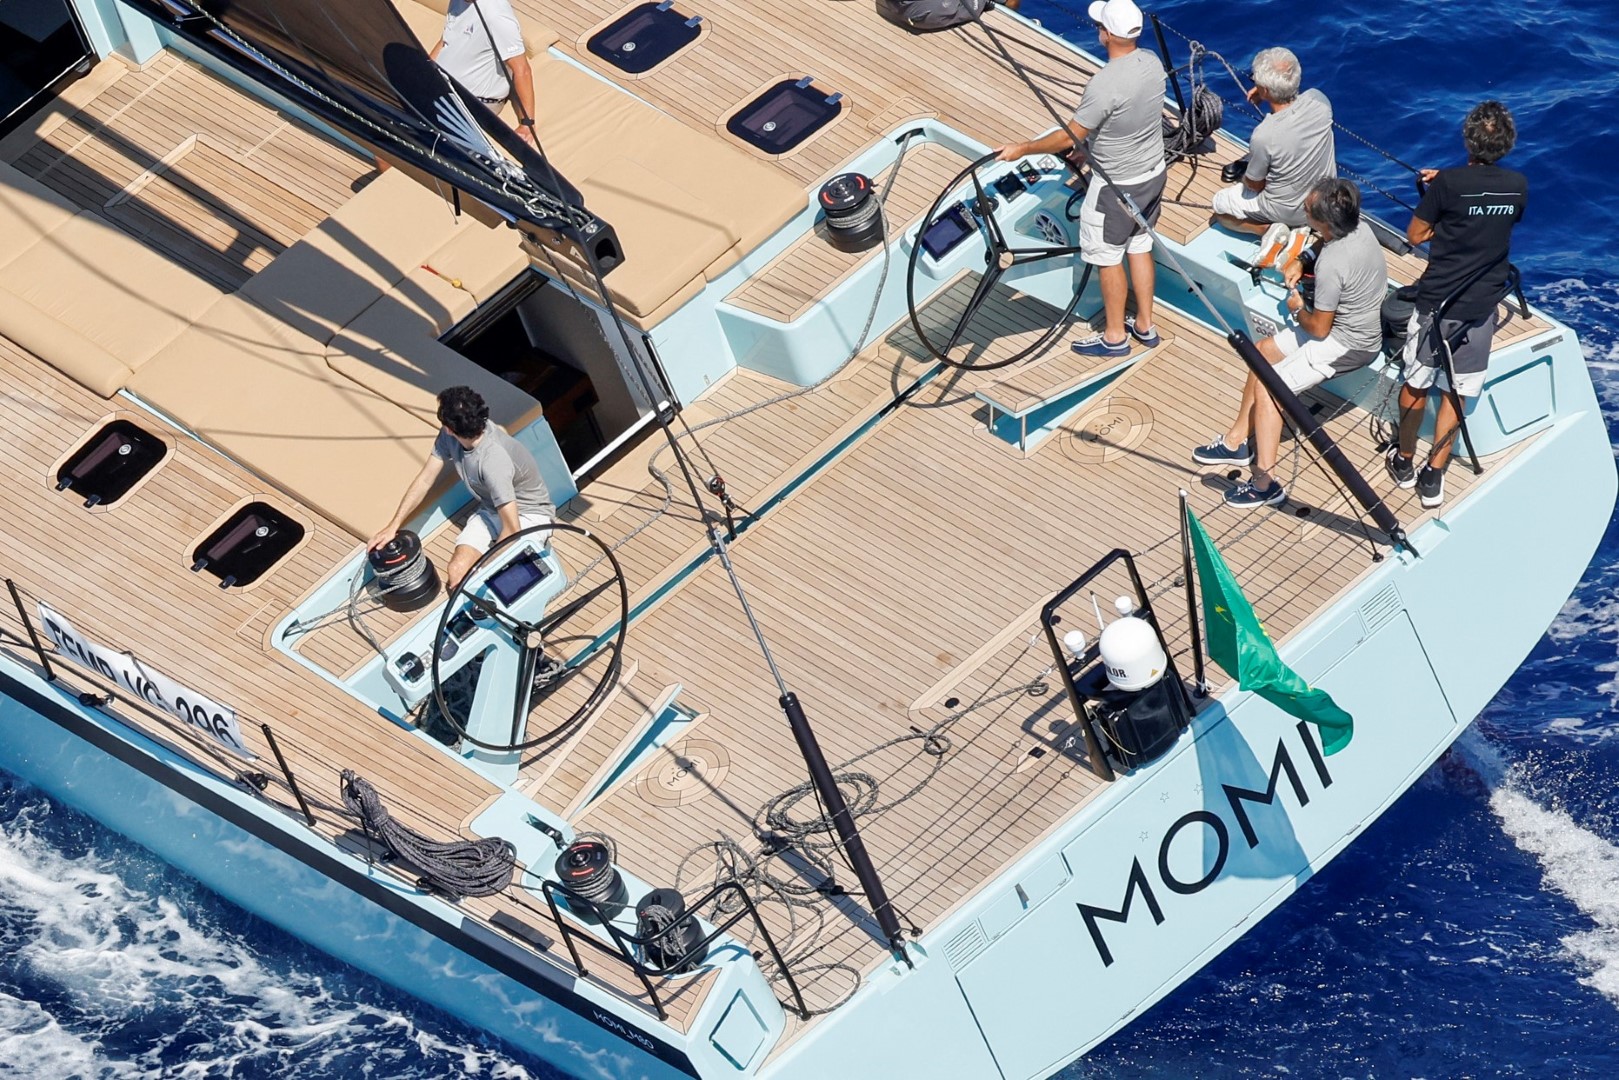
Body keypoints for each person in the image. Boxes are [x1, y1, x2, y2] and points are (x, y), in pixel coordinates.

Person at [1192, 178, 1388, 508]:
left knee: (1270, 391)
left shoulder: (1333, 266)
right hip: (1343, 325)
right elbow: (1325, 244)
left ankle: (1265, 483)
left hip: (1348, 343)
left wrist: (1297, 309)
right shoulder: (1360, 227)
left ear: (1324, 221)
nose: (1302, 210)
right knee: (1262, 354)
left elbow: (1319, 328)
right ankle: (1236, 442)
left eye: (1307, 209)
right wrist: (1303, 258)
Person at [995, 0, 1166, 357]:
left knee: (1108, 258)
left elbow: (1067, 136)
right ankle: (1145, 326)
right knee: (1139, 246)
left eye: (1100, 26)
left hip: (1115, 187)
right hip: (1153, 174)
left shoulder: (1104, 84)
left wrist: (1022, 149)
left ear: (1107, 35)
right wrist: (1089, 150)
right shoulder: (1152, 63)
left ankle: (1115, 337)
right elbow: (1128, 121)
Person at [1383, 101, 1527, 510]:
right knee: (1457, 392)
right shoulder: (1518, 185)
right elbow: (1488, 208)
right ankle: (1433, 475)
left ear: (1468, 139)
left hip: (1437, 306)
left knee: (1416, 384)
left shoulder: (1447, 186)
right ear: (1507, 144)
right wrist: (1452, 189)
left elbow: (1416, 235)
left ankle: (1404, 460)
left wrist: (1444, 197)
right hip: (1480, 309)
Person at [370, 386, 554, 591]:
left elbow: (512, 530)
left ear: (449, 427)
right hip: (492, 509)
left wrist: (481, 572)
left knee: (489, 584)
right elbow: (425, 480)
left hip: (529, 515)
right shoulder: (449, 436)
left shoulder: (493, 462)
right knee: (456, 573)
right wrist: (393, 526)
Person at [374, 0, 536, 176]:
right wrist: (424, 73)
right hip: (439, 89)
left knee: (388, 152)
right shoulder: (458, 3)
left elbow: (522, 70)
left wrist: (527, 124)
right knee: (383, 137)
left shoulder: (496, 15)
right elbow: (446, 41)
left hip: (470, 103)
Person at [1210, 47, 1336, 236]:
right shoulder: (1320, 101)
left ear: (1266, 89)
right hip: (1323, 200)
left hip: (1289, 212)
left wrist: (1244, 177)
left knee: (1220, 205)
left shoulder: (1264, 135)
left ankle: (1268, 230)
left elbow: (1255, 185)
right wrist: (1266, 91)